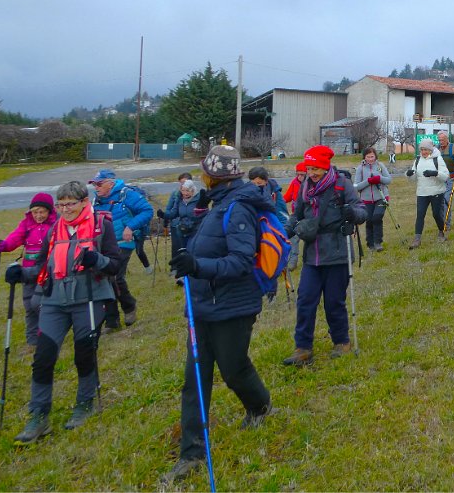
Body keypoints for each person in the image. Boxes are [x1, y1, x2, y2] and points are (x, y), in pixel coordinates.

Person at [163, 145, 275, 482]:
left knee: (233, 369)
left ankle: (259, 405)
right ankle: (192, 452)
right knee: (195, 379)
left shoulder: (238, 208)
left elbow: (240, 261)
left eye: (204, 172)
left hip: (233, 306)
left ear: (212, 175)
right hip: (202, 304)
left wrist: (198, 266)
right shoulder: (216, 203)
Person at [10, 181, 122, 444]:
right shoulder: (54, 230)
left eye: (70, 204)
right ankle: (39, 415)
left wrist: (97, 260)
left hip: (89, 298)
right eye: (60, 205)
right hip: (55, 300)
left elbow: (115, 264)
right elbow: (41, 266)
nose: (65, 210)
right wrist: (21, 274)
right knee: (43, 357)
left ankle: (85, 403)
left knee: (84, 354)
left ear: (84, 202)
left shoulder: (101, 226)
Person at [282, 145, 366, 366]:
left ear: (325, 167)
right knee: (305, 300)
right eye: (308, 168)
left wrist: (352, 213)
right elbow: (297, 215)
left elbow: (362, 211)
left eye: (315, 169)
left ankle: (341, 341)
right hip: (312, 254)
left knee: (334, 301)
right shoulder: (304, 188)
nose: (311, 173)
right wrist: (284, 232)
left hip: (337, 253)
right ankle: (303, 348)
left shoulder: (341, 184)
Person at [0, 192, 57, 348]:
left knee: (40, 304)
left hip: (48, 270)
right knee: (29, 306)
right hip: (28, 272)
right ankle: (32, 339)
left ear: (49, 211)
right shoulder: (26, 224)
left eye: (42, 212)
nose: (38, 215)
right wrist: (4, 245)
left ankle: (45, 332)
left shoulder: (55, 224)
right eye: (35, 212)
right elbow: (16, 237)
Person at [90, 168, 153, 330]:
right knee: (103, 278)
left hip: (124, 241)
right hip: (104, 243)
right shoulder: (96, 200)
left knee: (116, 277)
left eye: (99, 184)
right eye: (94, 184)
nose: (96, 187)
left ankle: (129, 306)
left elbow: (147, 211)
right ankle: (112, 320)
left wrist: (130, 227)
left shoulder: (127, 194)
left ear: (110, 183)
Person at [406, 138, 450, 249]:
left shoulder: (437, 159)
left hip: (436, 192)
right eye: (422, 149)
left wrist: (435, 173)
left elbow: (446, 176)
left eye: (426, 149)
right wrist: (410, 174)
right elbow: (413, 179)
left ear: (430, 150)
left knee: (436, 214)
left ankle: (441, 232)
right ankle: (417, 239)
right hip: (422, 192)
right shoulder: (417, 160)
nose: (423, 152)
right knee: (420, 214)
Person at [160, 180, 206, 286]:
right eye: (183, 190)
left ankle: (196, 277)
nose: (185, 193)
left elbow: (203, 214)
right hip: (182, 231)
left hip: (195, 231)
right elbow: (174, 213)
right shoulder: (179, 199)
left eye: (187, 191)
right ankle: (183, 278)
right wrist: (164, 215)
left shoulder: (199, 199)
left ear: (192, 191)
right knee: (183, 254)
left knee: (194, 253)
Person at [353, 147, 391, 251]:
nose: (370, 159)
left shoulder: (380, 166)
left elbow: (388, 180)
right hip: (366, 199)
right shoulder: (360, 168)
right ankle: (370, 244)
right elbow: (356, 186)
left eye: (372, 156)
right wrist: (368, 181)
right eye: (368, 157)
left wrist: (379, 178)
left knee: (377, 217)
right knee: (369, 220)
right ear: (364, 157)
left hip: (381, 197)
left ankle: (378, 242)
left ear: (375, 156)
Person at [164, 173, 193, 260]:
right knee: (176, 248)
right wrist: (166, 220)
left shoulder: (196, 195)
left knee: (189, 247)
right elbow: (168, 208)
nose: (182, 185)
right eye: (181, 183)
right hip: (176, 225)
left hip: (190, 226)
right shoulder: (175, 193)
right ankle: (175, 266)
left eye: (184, 182)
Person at [437, 130, 454, 228]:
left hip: (451, 178)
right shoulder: (436, 150)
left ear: (447, 139)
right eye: (439, 140)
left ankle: (446, 224)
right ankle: (441, 222)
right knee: (439, 201)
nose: (441, 142)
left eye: (443, 139)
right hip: (440, 179)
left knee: (447, 200)